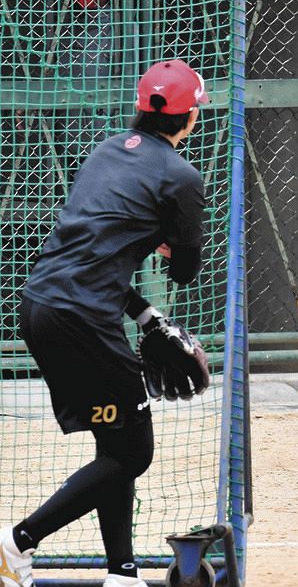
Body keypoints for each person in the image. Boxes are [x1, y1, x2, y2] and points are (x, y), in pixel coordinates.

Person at [1, 60, 212, 587]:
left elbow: (97, 253)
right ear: (189, 119)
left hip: (42, 307)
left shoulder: (105, 152)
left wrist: (144, 314)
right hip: (84, 323)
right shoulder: (182, 177)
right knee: (134, 451)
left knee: (113, 445)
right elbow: (185, 271)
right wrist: (168, 240)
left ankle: (122, 573)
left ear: (143, 108)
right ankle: (16, 543)